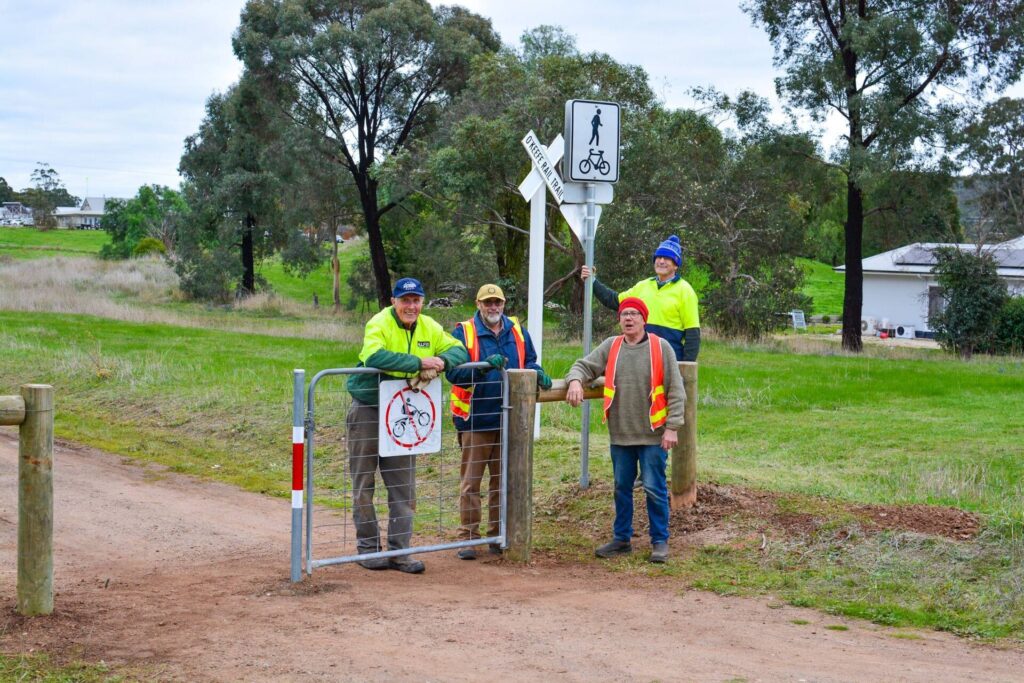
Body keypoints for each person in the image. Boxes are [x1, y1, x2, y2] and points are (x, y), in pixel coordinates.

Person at [345, 277, 469, 574]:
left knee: (403, 485)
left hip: (403, 414)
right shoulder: (379, 322)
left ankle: (401, 552)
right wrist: (419, 363)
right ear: (394, 302)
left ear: (422, 302)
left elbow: (460, 350)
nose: (411, 306)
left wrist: (439, 360)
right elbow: (375, 355)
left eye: (416, 300)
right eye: (405, 300)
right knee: (364, 483)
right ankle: (368, 549)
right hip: (369, 408)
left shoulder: (429, 325)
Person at [565, 297, 685, 563]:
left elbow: (676, 389)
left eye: (634, 314)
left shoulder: (660, 347)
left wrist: (672, 427)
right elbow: (583, 366)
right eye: (624, 314)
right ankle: (621, 539)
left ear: (644, 319)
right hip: (620, 434)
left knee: (654, 488)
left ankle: (659, 541)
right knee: (621, 487)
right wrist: (575, 381)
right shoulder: (612, 345)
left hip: (653, 434)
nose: (628, 319)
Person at [446, 284, 552, 560]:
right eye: (488, 303)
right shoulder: (463, 332)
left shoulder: (517, 330)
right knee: (471, 482)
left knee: (501, 481)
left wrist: (537, 372)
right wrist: (483, 367)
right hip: (476, 419)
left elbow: (530, 360)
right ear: (478, 304)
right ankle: (468, 536)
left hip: (509, 417)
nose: (493, 308)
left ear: (504, 304)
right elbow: (453, 374)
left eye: (498, 303)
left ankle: (497, 534)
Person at [581, 234, 700, 362]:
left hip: (669, 360)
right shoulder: (643, 286)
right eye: (658, 257)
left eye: (667, 258)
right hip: (639, 358)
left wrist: (686, 368)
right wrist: (592, 281)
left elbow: (692, 334)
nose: (661, 261)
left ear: (676, 265)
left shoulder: (685, 290)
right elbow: (614, 301)